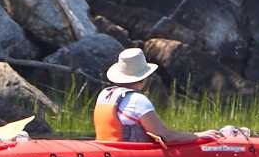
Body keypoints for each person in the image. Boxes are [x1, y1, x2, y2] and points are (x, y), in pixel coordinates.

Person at [92, 47, 243, 145]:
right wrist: (200, 135)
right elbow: (166, 137)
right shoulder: (138, 101)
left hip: (106, 149)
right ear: (143, 77)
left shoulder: (104, 95)